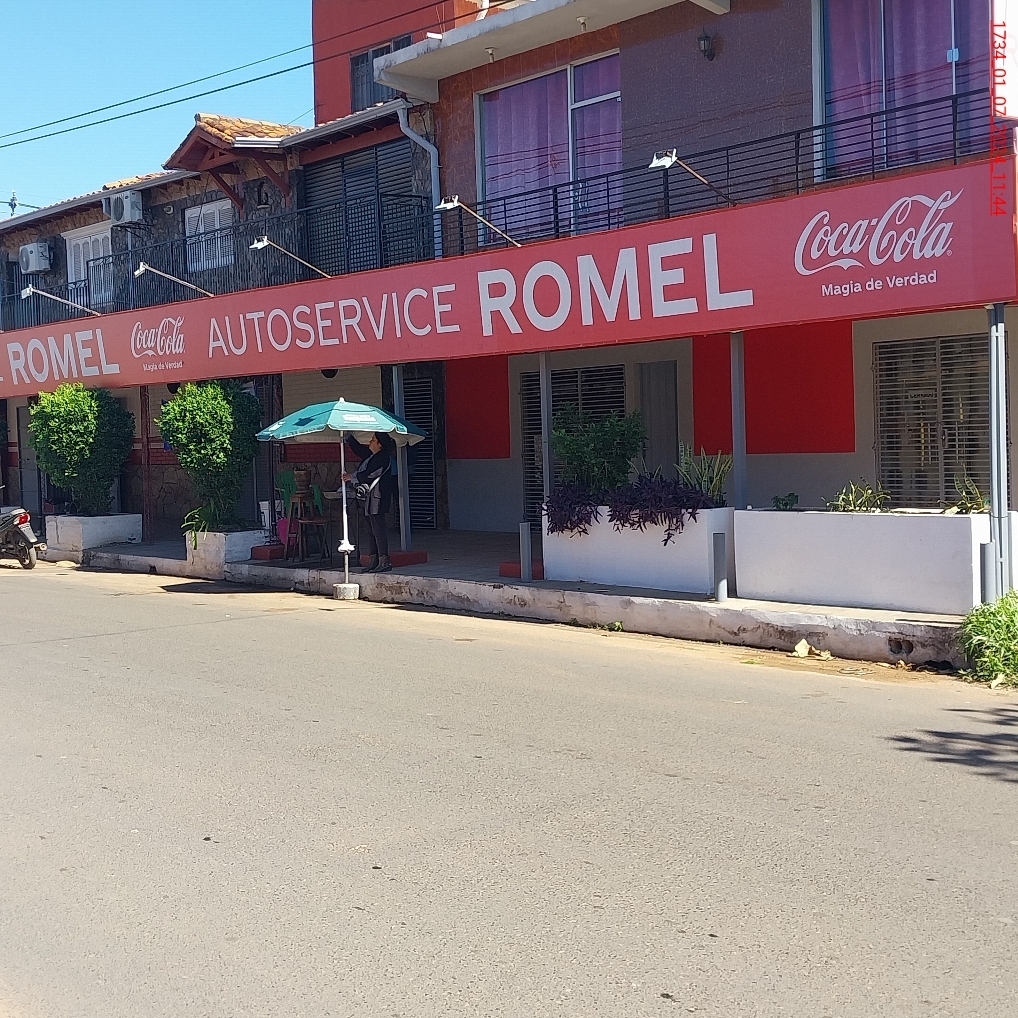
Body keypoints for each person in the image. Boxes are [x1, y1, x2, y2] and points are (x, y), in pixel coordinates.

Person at [343, 432, 397, 572]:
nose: (370, 442)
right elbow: (360, 450)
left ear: (380, 444)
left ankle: (384, 560)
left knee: (378, 530)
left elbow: (371, 474)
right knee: (370, 530)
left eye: (373, 440)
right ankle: (374, 559)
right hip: (367, 499)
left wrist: (352, 477)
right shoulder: (372, 456)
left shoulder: (382, 458)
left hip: (377, 498)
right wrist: (349, 439)